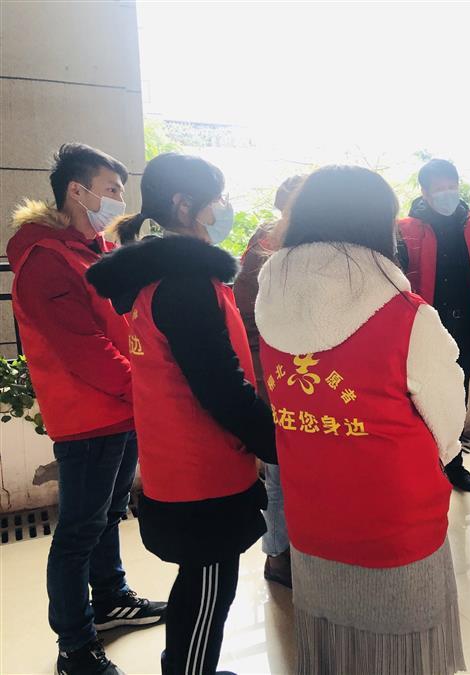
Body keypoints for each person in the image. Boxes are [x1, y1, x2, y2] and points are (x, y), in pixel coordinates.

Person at [255, 165, 466, 675]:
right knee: (403, 652)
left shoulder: (271, 302)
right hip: (394, 521)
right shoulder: (407, 315)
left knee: (333, 640)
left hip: (312, 514)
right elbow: (448, 420)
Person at [86, 153, 276, 675]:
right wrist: (277, 442)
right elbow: (220, 386)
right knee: (209, 586)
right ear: (184, 204)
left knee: (200, 581)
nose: (225, 208)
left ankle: (188, 666)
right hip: (202, 466)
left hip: (179, 458)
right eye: (218, 198)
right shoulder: (186, 283)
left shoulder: (157, 275)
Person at [8, 143, 165, 675]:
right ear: (77, 191)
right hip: (89, 418)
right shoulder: (45, 258)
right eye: (111, 189)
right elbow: (84, 349)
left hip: (120, 409)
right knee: (78, 530)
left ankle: (112, 599)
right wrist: (145, 389)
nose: (118, 199)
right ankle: (74, 645)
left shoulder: (93, 250)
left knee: (107, 516)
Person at [233, 174, 306, 589]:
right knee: (278, 475)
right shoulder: (265, 243)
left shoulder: (322, 244)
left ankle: (307, 549)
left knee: (307, 474)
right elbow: (247, 316)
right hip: (275, 377)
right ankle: (278, 555)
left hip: (313, 377)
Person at [397, 158, 470, 493]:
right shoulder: (406, 228)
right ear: (424, 192)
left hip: (465, 329)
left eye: (452, 186)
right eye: (439, 188)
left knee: (456, 398)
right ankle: (423, 467)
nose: (447, 194)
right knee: (421, 400)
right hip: (425, 330)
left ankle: (455, 465)